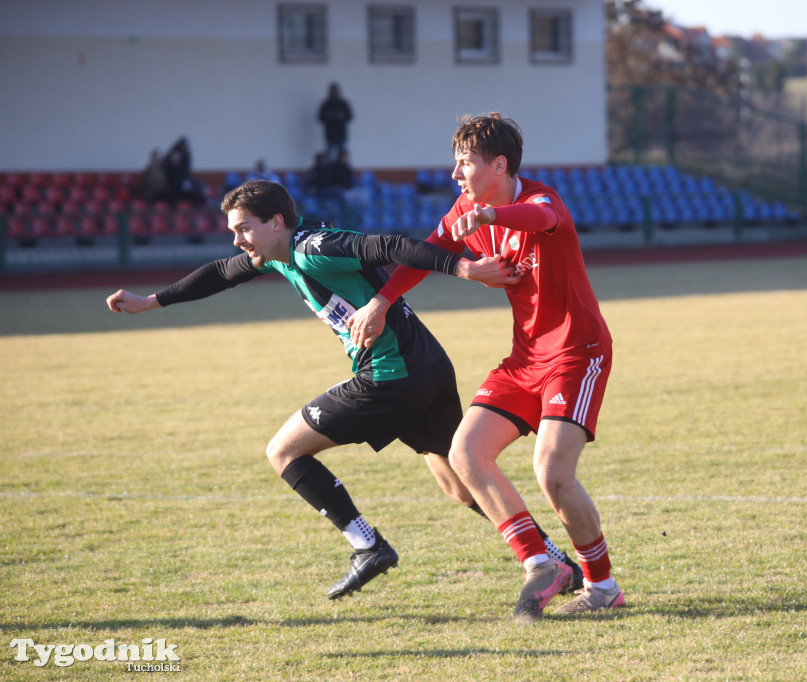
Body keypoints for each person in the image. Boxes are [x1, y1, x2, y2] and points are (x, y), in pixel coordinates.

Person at [105, 179, 580, 600]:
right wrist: (150, 302)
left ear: (276, 222)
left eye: (244, 228)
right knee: (460, 483)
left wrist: (465, 269)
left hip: (391, 376)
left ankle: (367, 545)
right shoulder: (277, 254)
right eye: (234, 231)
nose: (237, 240)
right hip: (428, 368)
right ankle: (553, 560)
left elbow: (391, 245)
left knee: (283, 451)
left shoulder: (315, 247)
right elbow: (219, 273)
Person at [348, 113, 624, 621]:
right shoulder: (464, 209)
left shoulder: (541, 202)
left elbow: (539, 220)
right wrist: (381, 302)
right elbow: (425, 255)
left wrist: (491, 217)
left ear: (499, 165)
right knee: (465, 453)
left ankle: (603, 587)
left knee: (552, 474)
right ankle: (541, 563)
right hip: (525, 359)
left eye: (465, 163)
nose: (455, 174)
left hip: (577, 353)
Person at [318, 82, 353, 158]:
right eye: (332, 91)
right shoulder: (326, 104)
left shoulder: (343, 104)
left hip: (341, 134)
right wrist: (328, 116)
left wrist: (342, 116)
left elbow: (350, 116)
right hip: (330, 135)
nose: (334, 93)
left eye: (335, 91)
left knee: (342, 157)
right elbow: (320, 118)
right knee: (328, 157)